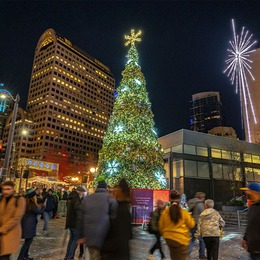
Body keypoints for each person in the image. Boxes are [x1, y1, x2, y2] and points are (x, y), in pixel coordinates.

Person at [78, 176, 118, 260]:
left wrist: (81, 235)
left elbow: (81, 218)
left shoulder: (88, 199)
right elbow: (114, 218)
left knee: (94, 257)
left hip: (90, 238)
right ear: (106, 187)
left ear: (97, 187)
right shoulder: (110, 199)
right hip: (105, 237)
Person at [159, 189, 195, 260]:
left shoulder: (165, 212)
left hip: (169, 239)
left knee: (174, 257)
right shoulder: (183, 212)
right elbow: (191, 224)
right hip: (181, 240)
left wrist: (166, 234)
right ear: (179, 199)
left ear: (170, 199)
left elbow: (161, 227)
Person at [101, 179, 132, 260]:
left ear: (121, 191)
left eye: (116, 189)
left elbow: (120, 234)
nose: (114, 191)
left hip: (115, 253)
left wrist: (106, 247)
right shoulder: (121, 207)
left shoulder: (120, 209)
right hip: (119, 252)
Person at [17, 189, 46, 260]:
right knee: (27, 243)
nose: (35, 197)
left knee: (28, 241)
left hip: (26, 224)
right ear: (33, 197)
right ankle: (20, 257)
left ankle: (25, 256)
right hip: (29, 225)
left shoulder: (26, 203)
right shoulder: (31, 204)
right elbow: (39, 211)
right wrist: (44, 206)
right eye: (34, 196)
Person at [0, 181, 26, 260]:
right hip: (1, 234)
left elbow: (16, 218)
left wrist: (2, 229)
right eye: (4, 189)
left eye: (8, 189)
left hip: (10, 233)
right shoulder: (2, 199)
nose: (6, 191)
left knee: (4, 256)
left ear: (13, 189)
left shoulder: (20, 199)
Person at [65, 186, 85, 260]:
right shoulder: (77, 200)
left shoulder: (71, 198)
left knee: (72, 239)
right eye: (82, 192)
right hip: (75, 223)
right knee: (75, 239)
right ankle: (70, 257)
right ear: (79, 192)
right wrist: (80, 226)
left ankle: (67, 256)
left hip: (70, 222)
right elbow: (79, 215)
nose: (82, 194)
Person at [242, 182, 260, 260]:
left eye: (248, 191)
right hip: (253, 247)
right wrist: (245, 238)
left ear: (254, 192)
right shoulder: (253, 206)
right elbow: (251, 224)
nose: (246, 193)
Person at [188, 191, 207, 259]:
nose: (204, 198)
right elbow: (204, 214)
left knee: (192, 239)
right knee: (202, 240)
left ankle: (186, 254)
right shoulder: (200, 204)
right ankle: (201, 255)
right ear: (201, 197)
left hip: (193, 223)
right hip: (198, 224)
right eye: (203, 197)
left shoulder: (191, 203)